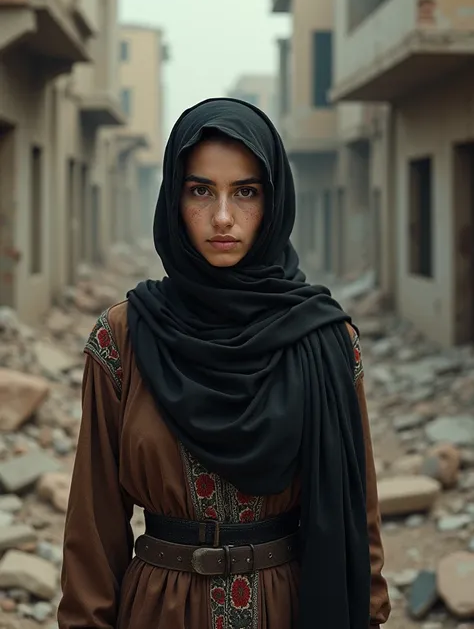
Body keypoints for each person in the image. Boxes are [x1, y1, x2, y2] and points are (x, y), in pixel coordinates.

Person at [58, 98, 391, 629]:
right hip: (158, 611)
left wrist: (369, 614)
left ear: (274, 200)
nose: (222, 217)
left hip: (285, 608)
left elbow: (357, 511)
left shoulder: (324, 339)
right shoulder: (123, 337)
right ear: (173, 197)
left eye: (246, 192)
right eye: (200, 190)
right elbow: (95, 524)